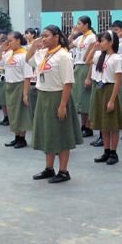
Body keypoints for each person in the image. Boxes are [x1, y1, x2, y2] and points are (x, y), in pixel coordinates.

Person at [26, 25, 83, 184]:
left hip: (58, 96)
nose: (43, 39)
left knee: (62, 134)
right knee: (47, 133)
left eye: (46, 36)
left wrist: (63, 105)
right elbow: (28, 59)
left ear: (56, 37)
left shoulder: (63, 56)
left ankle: (63, 171)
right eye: (42, 36)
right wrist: (34, 45)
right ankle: (49, 168)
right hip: (43, 96)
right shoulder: (43, 53)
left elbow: (68, 83)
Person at [91, 31, 122, 165]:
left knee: (112, 124)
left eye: (103, 41)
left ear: (111, 42)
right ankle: (106, 151)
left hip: (110, 90)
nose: (100, 43)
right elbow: (88, 60)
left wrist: (112, 100)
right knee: (103, 124)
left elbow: (118, 81)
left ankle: (113, 152)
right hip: (100, 90)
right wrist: (93, 49)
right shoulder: (100, 55)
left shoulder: (116, 58)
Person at [0, 31, 33, 149]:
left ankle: (22, 138)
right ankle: (16, 137)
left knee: (21, 113)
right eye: (7, 41)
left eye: (11, 40)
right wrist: (1, 50)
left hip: (20, 85)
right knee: (12, 112)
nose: (9, 43)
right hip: (10, 85)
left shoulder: (24, 55)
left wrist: (25, 94)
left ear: (18, 40)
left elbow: (28, 76)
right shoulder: (9, 54)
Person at [69, 16, 97, 138]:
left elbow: (92, 59)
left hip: (86, 68)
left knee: (86, 98)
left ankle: (89, 127)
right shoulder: (81, 38)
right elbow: (68, 45)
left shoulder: (92, 38)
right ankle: (83, 125)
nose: (77, 25)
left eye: (79, 23)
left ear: (86, 25)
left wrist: (88, 77)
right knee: (80, 98)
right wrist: (72, 33)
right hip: (78, 67)